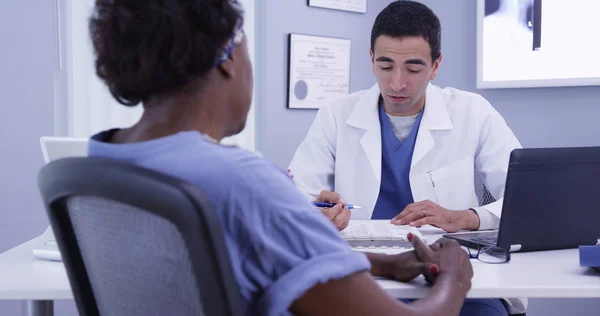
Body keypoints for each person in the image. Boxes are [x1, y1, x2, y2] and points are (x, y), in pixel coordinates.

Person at [85, 0, 474, 315]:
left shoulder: (99, 161)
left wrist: (386, 264)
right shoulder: (243, 181)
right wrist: (454, 277)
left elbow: (241, 255)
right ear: (228, 59)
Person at [288, 1, 525, 315]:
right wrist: (318, 213)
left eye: (413, 68)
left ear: (435, 65)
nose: (397, 82)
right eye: (385, 66)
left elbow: (526, 200)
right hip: (365, 277)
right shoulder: (336, 115)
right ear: (371, 60)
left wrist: (467, 217)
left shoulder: (473, 112)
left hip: (458, 280)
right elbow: (297, 198)